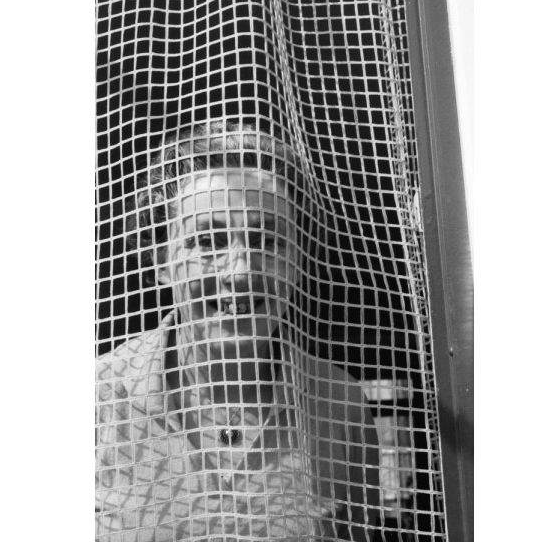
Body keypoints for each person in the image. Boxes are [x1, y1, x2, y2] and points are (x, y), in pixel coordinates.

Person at [96, 120, 381, 541]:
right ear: (161, 260)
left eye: (268, 240)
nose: (242, 271)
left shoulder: (340, 402)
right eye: (208, 241)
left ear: (296, 261)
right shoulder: (99, 396)